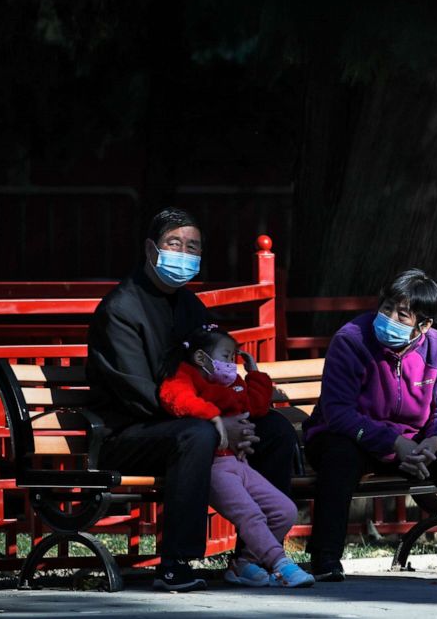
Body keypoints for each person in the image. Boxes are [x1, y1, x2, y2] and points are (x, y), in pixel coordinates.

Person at [86, 206, 298, 592]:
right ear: (152, 250)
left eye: (192, 247)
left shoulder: (190, 305)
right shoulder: (120, 309)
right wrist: (217, 424)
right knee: (197, 437)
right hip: (129, 431)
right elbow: (137, 393)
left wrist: (233, 419)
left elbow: (212, 373)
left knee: (274, 430)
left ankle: (251, 556)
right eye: (174, 244)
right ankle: (175, 563)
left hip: (192, 420)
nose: (183, 254)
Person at [302, 269, 437, 583]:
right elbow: (338, 412)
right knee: (340, 454)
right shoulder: (351, 339)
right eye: (387, 307)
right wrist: (393, 442)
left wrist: (433, 444)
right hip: (352, 436)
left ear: (424, 325)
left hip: (415, 444)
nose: (389, 318)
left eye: (402, 315)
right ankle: (325, 558)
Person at [158, 324, 313, 588]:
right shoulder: (185, 376)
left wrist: (254, 374)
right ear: (200, 358)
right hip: (213, 466)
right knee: (251, 515)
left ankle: (245, 563)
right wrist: (213, 417)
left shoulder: (231, 383)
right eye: (226, 357)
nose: (231, 364)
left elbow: (256, 407)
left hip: (239, 463)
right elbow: (174, 398)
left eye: (233, 358)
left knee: (284, 510)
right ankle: (280, 563)